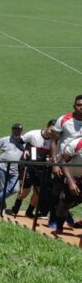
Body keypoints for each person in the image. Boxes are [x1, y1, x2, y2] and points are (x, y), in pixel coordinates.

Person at [48, 95, 82, 227]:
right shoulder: (64, 120)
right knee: (56, 191)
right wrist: (55, 163)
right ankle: (54, 219)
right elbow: (53, 141)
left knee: (75, 193)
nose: (81, 107)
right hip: (63, 162)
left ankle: (64, 212)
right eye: (79, 105)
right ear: (74, 106)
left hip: (78, 164)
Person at [9, 120, 54, 217]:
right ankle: (15, 208)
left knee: (38, 191)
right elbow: (19, 142)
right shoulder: (33, 134)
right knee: (25, 191)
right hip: (27, 165)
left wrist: (50, 157)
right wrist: (25, 150)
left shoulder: (54, 140)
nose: (52, 133)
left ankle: (29, 212)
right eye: (51, 130)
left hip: (41, 168)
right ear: (46, 127)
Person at [0, 124, 25, 214]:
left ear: (21, 131)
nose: (16, 131)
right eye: (14, 129)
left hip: (16, 171)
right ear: (12, 130)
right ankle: (1, 205)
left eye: (18, 130)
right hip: (3, 167)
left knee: (15, 189)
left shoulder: (24, 141)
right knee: (2, 188)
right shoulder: (5, 139)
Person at [52, 137, 82, 236]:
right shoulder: (77, 144)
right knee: (62, 209)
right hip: (74, 179)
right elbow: (63, 161)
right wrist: (70, 182)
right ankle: (59, 229)